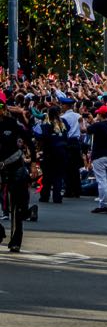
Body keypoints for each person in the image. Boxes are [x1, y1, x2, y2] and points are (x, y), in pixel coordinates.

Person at [0, 101, 35, 252]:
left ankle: (16, 241)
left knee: (17, 206)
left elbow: (29, 140)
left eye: (1, 107)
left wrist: (33, 162)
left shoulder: (12, 124)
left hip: (15, 167)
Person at [89, 104, 107, 214]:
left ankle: (103, 205)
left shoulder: (98, 125)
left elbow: (86, 130)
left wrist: (94, 120)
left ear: (100, 115)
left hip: (99, 155)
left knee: (101, 181)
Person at [38, 105, 69, 204]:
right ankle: (57, 197)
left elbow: (43, 137)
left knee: (47, 176)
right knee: (58, 176)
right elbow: (67, 131)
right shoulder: (63, 123)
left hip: (50, 153)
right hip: (62, 152)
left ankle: (45, 196)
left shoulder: (46, 125)